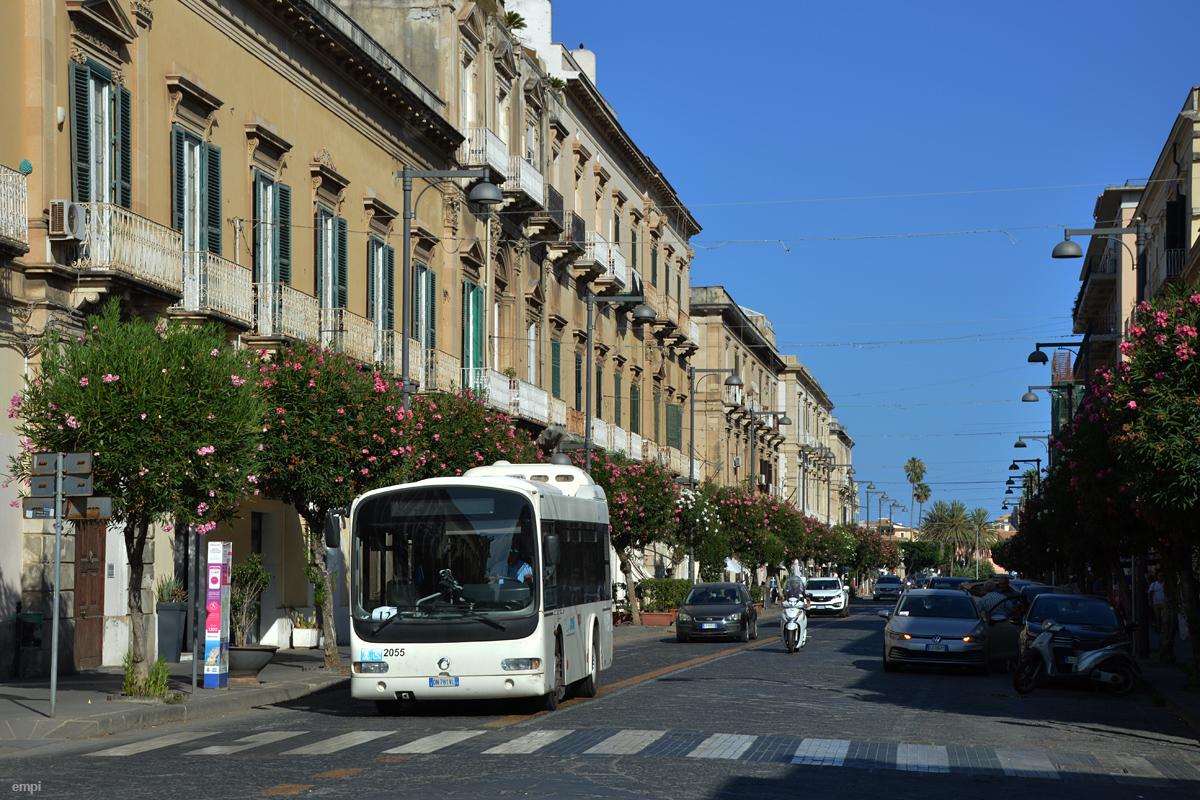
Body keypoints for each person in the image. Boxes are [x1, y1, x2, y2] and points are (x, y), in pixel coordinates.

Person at [1148, 571, 1176, 664]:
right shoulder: (1154, 584)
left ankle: (1161, 628)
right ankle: (1159, 627)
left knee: (1164, 617)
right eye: (1160, 575)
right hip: (1156, 603)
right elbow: (1151, 593)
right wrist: (1150, 601)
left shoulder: (1165, 585)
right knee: (1158, 617)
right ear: (1157, 576)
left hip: (1163, 603)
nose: (1161, 577)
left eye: (1162, 575)